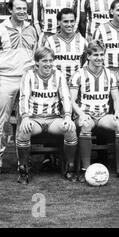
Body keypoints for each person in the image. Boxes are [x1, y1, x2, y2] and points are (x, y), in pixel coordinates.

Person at [0, 0, 38, 175]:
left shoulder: (32, 29)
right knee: (1, 121)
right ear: (10, 10)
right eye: (18, 9)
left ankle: (22, 161)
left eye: (25, 8)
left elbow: (35, 54)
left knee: (25, 121)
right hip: (6, 79)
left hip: (27, 80)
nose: (22, 12)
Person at [69, 40, 119, 181]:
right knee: (85, 125)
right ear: (88, 56)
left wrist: (117, 112)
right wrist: (81, 114)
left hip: (103, 116)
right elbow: (72, 101)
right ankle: (86, 169)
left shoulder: (109, 74)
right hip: (85, 114)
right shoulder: (78, 74)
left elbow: (116, 99)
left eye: (102, 55)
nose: (99, 58)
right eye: (95, 55)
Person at [15, 47, 78, 184]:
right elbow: (23, 98)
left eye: (51, 60)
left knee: (70, 129)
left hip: (53, 119)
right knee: (24, 131)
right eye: (44, 61)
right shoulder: (29, 75)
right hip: (35, 119)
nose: (48, 64)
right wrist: (25, 117)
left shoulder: (59, 75)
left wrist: (67, 116)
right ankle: (23, 169)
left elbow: (66, 98)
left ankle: (69, 168)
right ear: (37, 62)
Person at [45, 8, 88, 83]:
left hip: (76, 85)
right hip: (55, 83)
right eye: (65, 21)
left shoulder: (83, 41)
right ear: (59, 22)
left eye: (72, 21)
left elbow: (86, 64)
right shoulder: (50, 41)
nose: (69, 24)